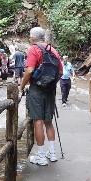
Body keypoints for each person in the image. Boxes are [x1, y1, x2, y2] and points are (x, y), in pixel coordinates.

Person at [20, 27, 63, 166]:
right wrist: (50, 84)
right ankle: (52, 153)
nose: (29, 37)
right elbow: (60, 72)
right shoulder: (53, 50)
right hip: (50, 91)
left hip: (36, 90)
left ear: (33, 37)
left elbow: (30, 70)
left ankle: (41, 156)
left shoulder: (33, 49)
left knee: (37, 121)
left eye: (29, 35)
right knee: (48, 121)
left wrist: (22, 86)